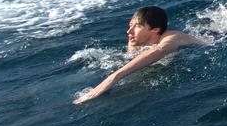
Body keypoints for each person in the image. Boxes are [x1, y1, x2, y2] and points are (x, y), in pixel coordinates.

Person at [73, 6, 202, 104]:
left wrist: (114, 77)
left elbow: (159, 51)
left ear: (155, 29)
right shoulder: (135, 40)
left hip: (209, 41)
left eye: (138, 26)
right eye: (130, 25)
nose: (129, 31)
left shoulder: (172, 38)